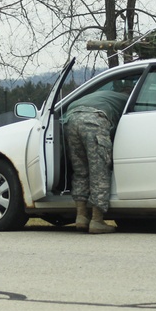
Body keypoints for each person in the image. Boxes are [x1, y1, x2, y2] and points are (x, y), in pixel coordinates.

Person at [61, 82, 132, 234]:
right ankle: (97, 220)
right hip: (94, 120)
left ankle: (81, 217)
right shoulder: (127, 101)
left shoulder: (102, 95)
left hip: (71, 120)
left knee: (80, 170)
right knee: (99, 171)